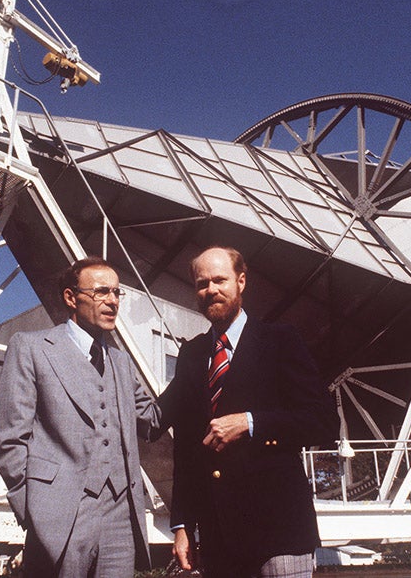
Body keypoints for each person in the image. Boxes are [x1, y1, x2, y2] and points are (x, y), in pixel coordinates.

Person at [158, 246, 338, 578]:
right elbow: (186, 448)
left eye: (220, 280)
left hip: (278, 531)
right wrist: (182, 524)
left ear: (241, 281)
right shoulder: (193, 354)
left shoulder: (280, 340)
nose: (211, 290)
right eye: (202, 283)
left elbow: (324, 421)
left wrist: (251, 423)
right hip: (218, 538)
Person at [0, 256, 161, 578]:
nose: (112, 301)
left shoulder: (121, 362)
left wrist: (196, 369)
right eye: (101, 292)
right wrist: (36, 509)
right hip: (59, 514)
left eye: (116, 292)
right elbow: (9, 438)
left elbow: (152, 418)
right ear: (71, 297)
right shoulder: (31, 347)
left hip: (120, 515)